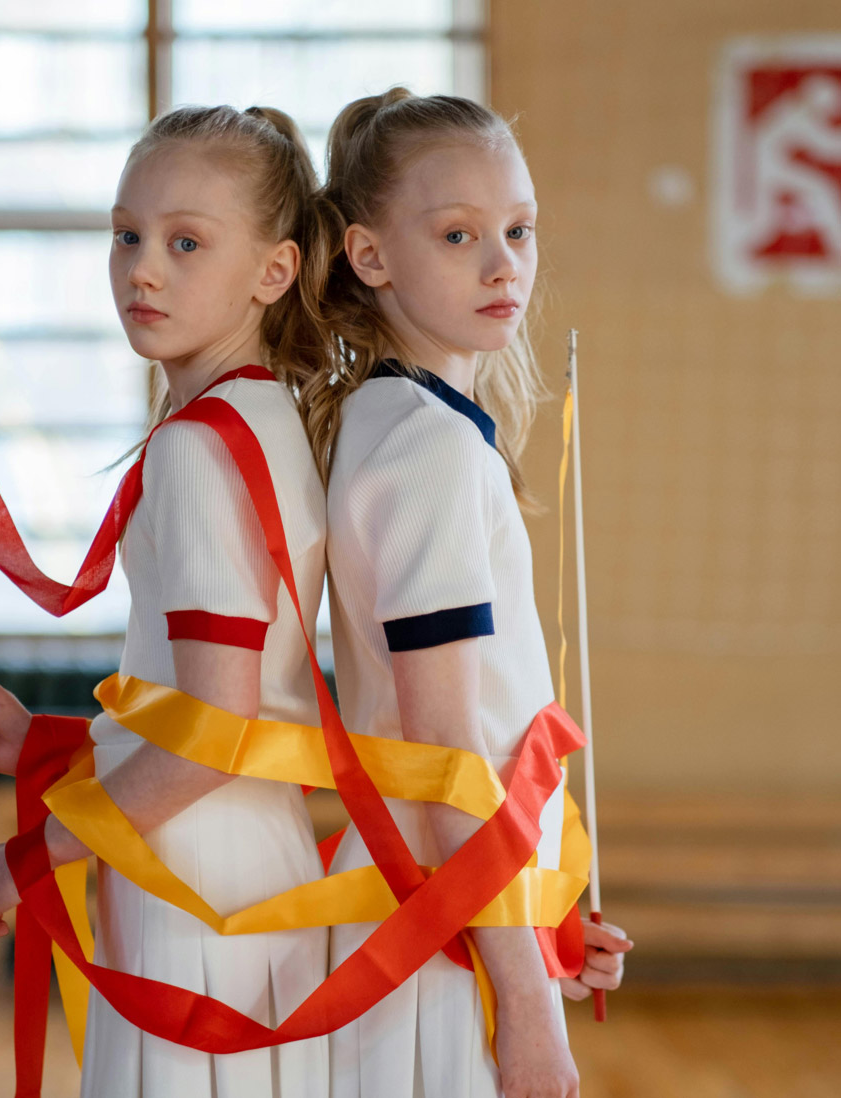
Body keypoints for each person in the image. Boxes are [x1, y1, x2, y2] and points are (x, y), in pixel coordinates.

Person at [0, 104, 332, 1098]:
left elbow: (213, 733)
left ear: (273, 271)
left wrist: (28, 857)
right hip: (239, 857)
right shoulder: (266, 416)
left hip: (189, 878)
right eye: (127, 236)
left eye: (186, 242)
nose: (142, 270)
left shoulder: (199, 447)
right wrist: (40, 744)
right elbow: (216, 711)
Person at [299, 88, 632, 1098]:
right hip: (438, 924)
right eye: (459, 235)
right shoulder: (430, 448)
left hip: (451, 903)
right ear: (369, 255)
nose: (504, 266)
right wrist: (523, 999)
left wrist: (543, 921)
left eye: (519, 230)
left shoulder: (393, 419)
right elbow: (446, 753)